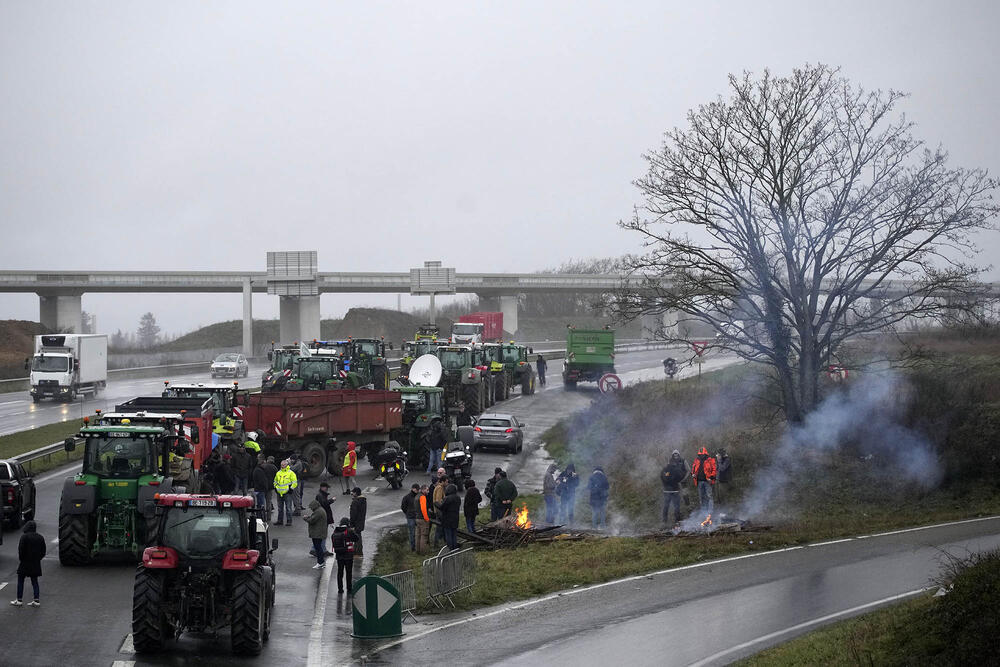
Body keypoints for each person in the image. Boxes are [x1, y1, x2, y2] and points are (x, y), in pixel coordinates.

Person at [10, 521, 45, 607]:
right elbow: (43, 551)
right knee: (35, 581)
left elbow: (21, 550)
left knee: (20, 580)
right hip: (35, 563)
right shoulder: (40, 537)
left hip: (25, 562)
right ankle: (36, 600)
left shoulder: (24, 537)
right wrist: (37, 559)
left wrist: (22, 559)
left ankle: (19, 600)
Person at [660, 449, 688, 525]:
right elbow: (680, 478)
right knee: (676, 506)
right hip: (675, 490)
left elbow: (662, 477)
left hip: (666, 491)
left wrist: (665, 485)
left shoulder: (665, 469)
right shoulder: (676, 470)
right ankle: (677, 521)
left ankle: (664, 521)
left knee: (666, 506)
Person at [331, 518, 358, 593]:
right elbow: (356, 539)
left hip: (339, 555)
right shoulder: (349, 531)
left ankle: (340, 589)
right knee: (348, 572)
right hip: (348, 555)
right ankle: (349, 589)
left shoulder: (336, 531)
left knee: (340, 572)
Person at [691, 446, 717, 516]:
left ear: (705, 454)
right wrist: (693, 474)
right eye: (700, 454)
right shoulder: (696, 460)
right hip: (699, 481)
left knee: (709, 496)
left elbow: (714, 470)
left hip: (707, 481)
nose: (702, 455)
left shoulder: (710, 460)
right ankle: (703, 512)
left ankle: (710, 512)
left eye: (703, 454)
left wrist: (711, 478)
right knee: (701, 497)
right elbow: (693, 469)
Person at [304, 499, 328, 569]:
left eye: (311, 507)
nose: (311, 509)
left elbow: (312, 520)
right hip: (319, 533)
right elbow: (313, 518)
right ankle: (321, 562)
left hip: (317, 533)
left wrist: (305, 518)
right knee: (318, 547)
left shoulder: (318, 512)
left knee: (318, 548)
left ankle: (320, 562)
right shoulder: (320, 510)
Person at [437, 483, 461, 550]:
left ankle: (450, 548)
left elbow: (442, 507)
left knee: (448, 534)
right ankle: (454, 547)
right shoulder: (458, 498)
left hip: (447, 519)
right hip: (455, 518)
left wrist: (436, 504)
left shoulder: (447, 498)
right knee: (454, 534)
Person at [274, 459, 298, 526]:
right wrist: (275, 488)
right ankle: (280, 521)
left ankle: (289, 521)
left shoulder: (291, 473)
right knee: (280, 508)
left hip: (287, 493)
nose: (282, 466)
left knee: (288, 508)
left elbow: (295, 483)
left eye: (284, 465)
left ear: (287, 465)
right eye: (281, 465)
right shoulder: (278, 473)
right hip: (279, 493)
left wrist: (291, 489)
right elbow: (275, 481)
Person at [400, 483, 420, 551]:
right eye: (416, 489)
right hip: (410, 517)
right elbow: (403, 507)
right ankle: (413, 547)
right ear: (412, 489)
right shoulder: (407, 497)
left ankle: (417, 546)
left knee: (417, 532)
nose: (417, 491)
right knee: (412, 533)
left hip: (416, 516)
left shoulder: (418, 496)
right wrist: (408, 513)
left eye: (418, 489)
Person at [258, 455, 279, 519]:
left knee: (262, 502)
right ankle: (268, 516)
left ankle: (262, 516)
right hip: (270, 487)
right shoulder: (275, 468)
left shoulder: (264, 466)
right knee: (268, 502)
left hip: (263, 486)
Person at [349, 487, 367, 557]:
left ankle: (358, 552)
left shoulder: (355, 502)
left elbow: (353, 514)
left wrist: (352, 524)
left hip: (356, 523)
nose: (352, 493)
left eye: (353, 492)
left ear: (356, 493)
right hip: (361, 521)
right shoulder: (363, 500)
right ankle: (357, 551)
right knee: (358, 536)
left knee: (357, 537)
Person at [431, 472, 448, 547]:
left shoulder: (439, 487)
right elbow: (437, 501)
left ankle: (442, 541)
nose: (447, 483)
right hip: (439, 512)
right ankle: (436, 543)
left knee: (441, 527)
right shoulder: (440, 488)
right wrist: (441, 511)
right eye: (447, 481)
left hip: (439, 511)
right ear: (443, 481)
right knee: (439, 528)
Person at [415, 484, 432, 554]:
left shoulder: (416, 496)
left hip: (417, 518)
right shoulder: (422, 497)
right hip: (423, 519)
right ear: (423, 489)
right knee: (424, 536)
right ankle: (423, 551)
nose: (428, 492)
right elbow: (423, 509)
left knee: (418, 535)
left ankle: (417, 550)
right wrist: (427, 519)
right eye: (427, 490)